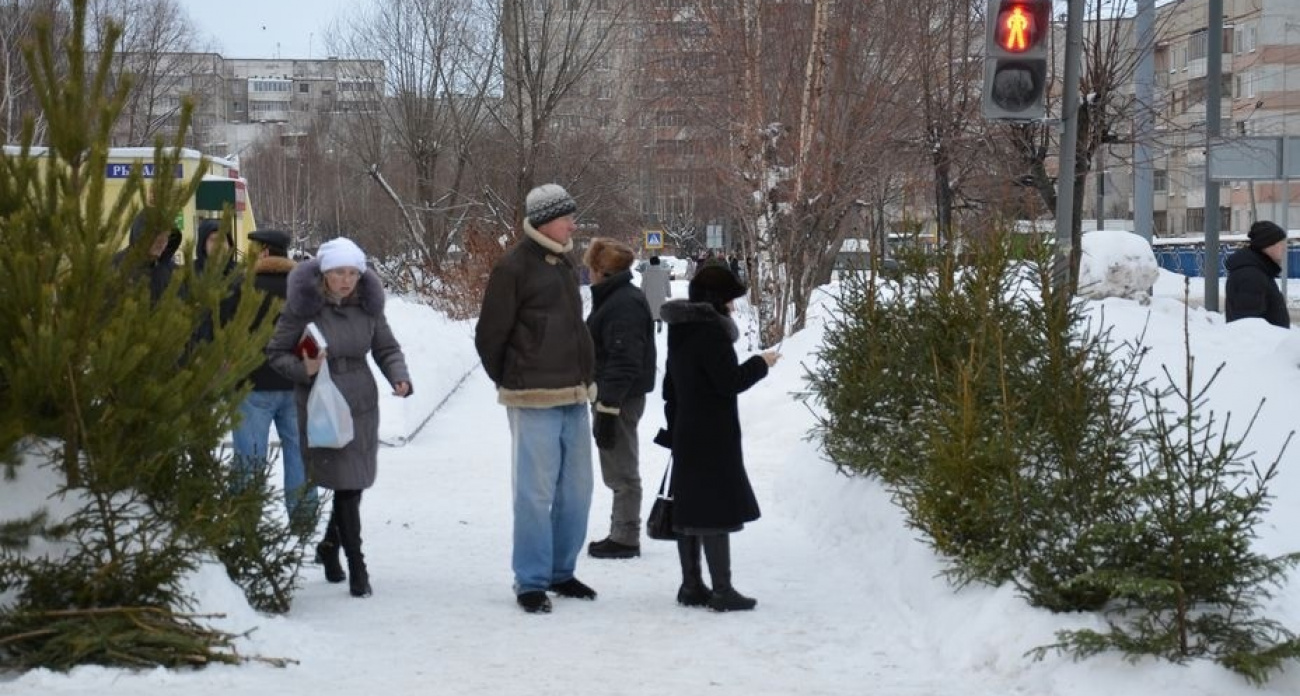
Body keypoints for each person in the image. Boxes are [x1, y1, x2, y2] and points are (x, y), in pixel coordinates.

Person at [475, 183, 598, 614]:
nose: (573, 225)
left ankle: (561, 572)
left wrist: (589, 375)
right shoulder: (514, 266)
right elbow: (489, 335)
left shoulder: (564, 265)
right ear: (546, 219)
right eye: (568, 217)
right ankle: (530, 580)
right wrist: (512, 379)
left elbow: (575, 329)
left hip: (574, 395)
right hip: (532, 398)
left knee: (578, 491)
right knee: (534, 493)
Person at [267, 237, 412, 599]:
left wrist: (399, 376)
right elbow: (275, 353)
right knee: (345, 485)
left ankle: (330, 546)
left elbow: (386, 347)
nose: (346, 280)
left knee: (354, 483)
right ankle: (357, 566)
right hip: (320, 401)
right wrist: (305, 367)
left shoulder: (368, 307)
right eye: (338, 273)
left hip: (361, 401)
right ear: (323, 274)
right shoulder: (303, 308)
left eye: (352, 273)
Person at [657, 262, 779, 612]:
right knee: (713, 510)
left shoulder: (680, 329)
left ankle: (691, 585)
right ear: (717, 300)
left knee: (690, 506)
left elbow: (670, 386)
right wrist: (762, 363)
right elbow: (729, 383)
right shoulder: (712, 332)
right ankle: (723, 591)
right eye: (729, 299)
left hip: (686, 429)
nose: (733, 306)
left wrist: (674, 425)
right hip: (712, 432)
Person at [231, 229, 318, 533]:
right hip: (295, 386)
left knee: (250, 458)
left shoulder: (241, 286)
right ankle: (304, 521)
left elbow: (226, 332)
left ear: (264, 252)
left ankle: (245, 524)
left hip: (252, 385)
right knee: (299, 456)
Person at [583, 238, 656, 560]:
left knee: (622, 468)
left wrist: (608, 407)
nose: (588, 274)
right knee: (617, 465)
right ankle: (622, 531)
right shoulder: (616, 298)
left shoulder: (622, 303)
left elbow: (625, 359)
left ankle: (625, 536)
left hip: (619, 398)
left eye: (590, 267)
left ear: (601, 269)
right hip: (616, 395)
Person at [1225, 220, 1291, 329]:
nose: (1284, 248)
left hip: (1268, 344)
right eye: (1281, 243)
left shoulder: (1259, 271)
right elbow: (1248, 326)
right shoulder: (1250, 276)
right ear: (1268, 245)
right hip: (1262, 345)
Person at [114, 208, 181, 303]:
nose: (162, 241)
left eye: (166, 235)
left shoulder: (174, 273)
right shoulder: (115, 266)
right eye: (157, 234)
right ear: (140, 233)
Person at [641, 255, 672, 334]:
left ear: (650, 263)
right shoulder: (663, 272)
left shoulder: (646, 273)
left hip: (649, 295)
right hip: (660, 295)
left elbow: (643, 285)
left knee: (650, 311)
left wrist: (641, 294)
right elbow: (667, 284)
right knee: (659, 310)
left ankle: (651, 325)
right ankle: (659, 321)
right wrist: (668, 293)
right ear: (659, 263)